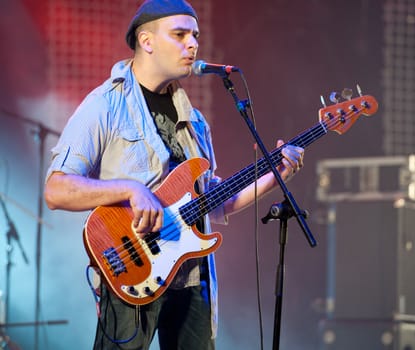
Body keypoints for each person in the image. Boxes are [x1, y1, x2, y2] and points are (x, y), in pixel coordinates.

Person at [43, 0, 305, 349]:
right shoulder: (104, 105)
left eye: (195, 35)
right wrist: (129, 189)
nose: (193, 44)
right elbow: (56, 190)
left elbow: (215, 204)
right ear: (147, 41)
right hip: (132, 270)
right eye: (180, 34)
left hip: (191, 278)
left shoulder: (195, 121)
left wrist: (276, 174)